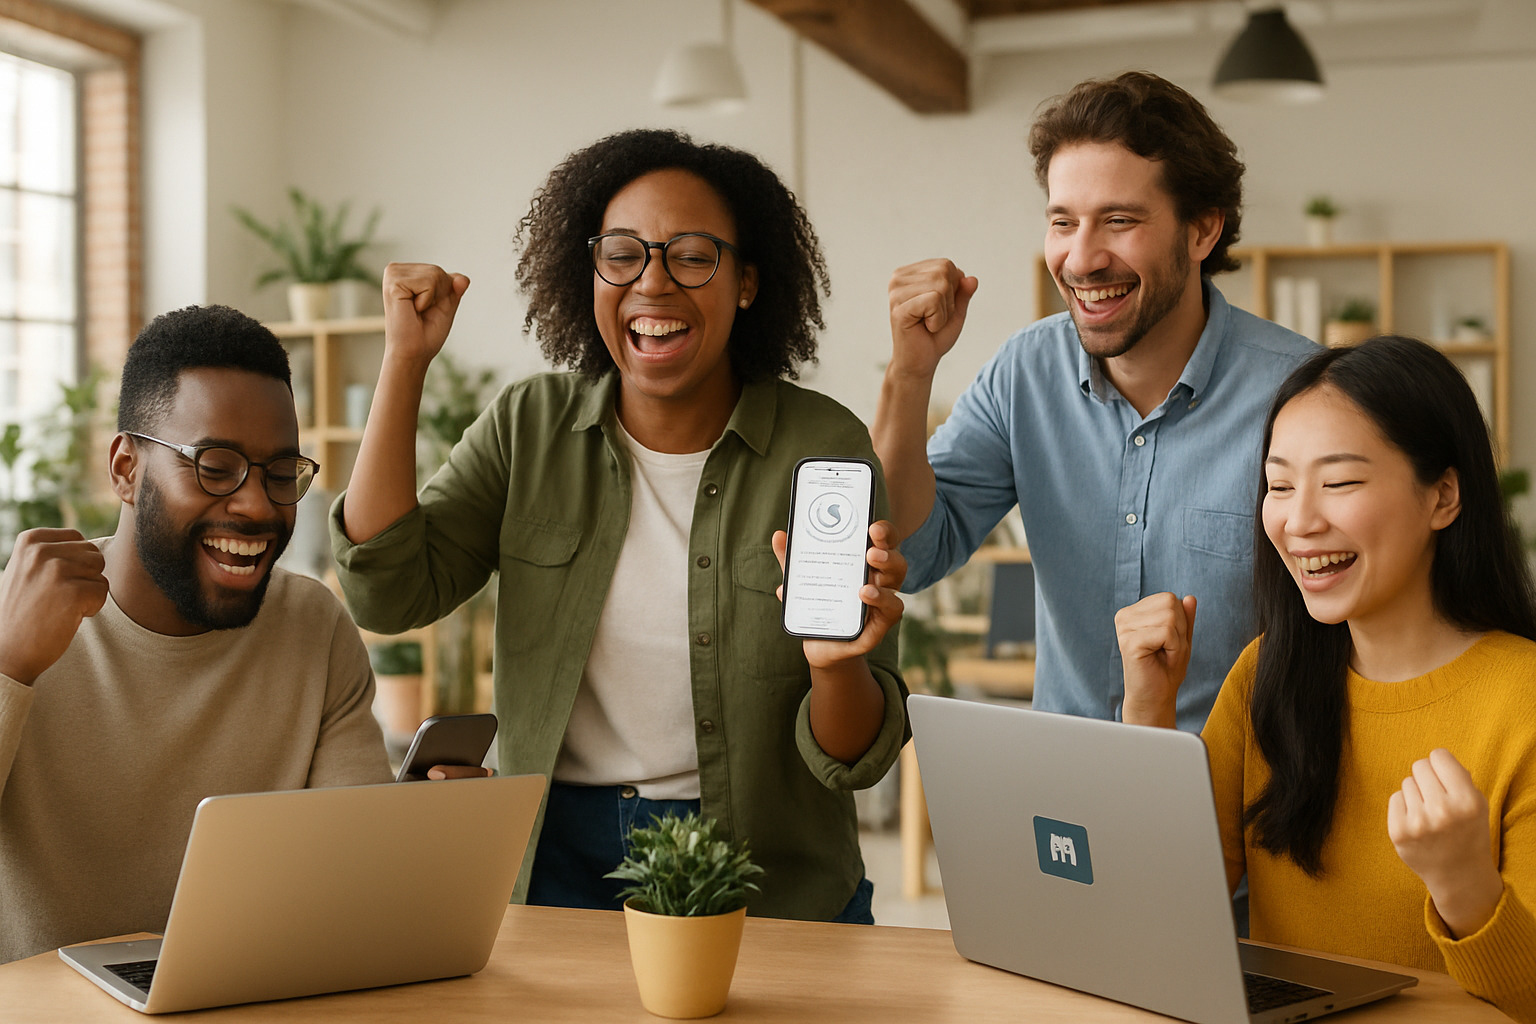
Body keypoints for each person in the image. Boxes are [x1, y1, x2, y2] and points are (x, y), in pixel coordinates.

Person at [330, 128, 908, 923]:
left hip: (768, 871)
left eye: (694, 255)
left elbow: (854, 762)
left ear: (746, 283)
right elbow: (386, 593)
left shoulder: (823, 450)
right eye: (624, 253)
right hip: (554, 857)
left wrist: (837, 667)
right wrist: (404, 362)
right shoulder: (527, 426)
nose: (654, 283)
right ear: (590, 271)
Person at [872, 71, 1318, 731]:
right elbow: (910, 552)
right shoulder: (1024, 372)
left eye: (1119, 221)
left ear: (1201, 231)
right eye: (1063, 222)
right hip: (1072, 802)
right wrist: (911, 373)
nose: (1080, 259)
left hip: (1248, 800)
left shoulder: (1302, 392)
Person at [1117, 336, 1536, 1020]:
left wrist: (1465, 883)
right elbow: (1157, 913)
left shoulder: (1525, 699)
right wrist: (1148, 716)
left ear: (1444, 496)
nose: (1300, 521)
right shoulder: (1265, 676)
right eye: (1279, 486)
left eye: (1339, 483)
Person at [0, 305, 395, 964]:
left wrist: (431, 831)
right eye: (215, 465)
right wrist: (10, 668)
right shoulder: (17, 622)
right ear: (126, 469)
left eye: (279, 473)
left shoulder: (312, 628)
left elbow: (350, 881)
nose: (257, 505)